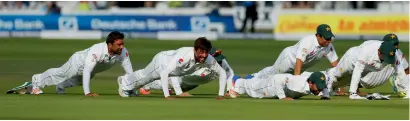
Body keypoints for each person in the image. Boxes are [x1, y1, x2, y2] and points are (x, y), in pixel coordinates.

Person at [6, 31, 133, 97]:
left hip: (92, 70)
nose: (122, 47)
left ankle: (60, 86)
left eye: (123, 44)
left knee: (77, 81)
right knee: (61, 74)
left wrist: (132, 88)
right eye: (119, 44)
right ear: (110, 44)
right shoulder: (97, 50)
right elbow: (87, 71)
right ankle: (36, 81)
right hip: (77, 63)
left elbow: (129, 71)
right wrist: (87, 93)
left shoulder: (123, 52)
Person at [117, 37, 228, 100]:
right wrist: (167, 96)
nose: (204, 55)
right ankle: (124, 83)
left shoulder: (208, 58)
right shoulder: (184, 56)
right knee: (145, 77)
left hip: (173, 70)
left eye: (206, 52)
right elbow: (165, 73)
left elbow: (222, 73)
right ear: (195, 49)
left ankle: (129, 86)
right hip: (162, 62)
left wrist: (220, 94)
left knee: (144, 79)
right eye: (201, 52)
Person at [247, 24, 338, 79]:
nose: (329, 40)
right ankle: (254, 77)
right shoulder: (308, 42)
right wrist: (296, 85)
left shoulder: (328, 45)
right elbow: (298, 63)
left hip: (301, 66)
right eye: (326, 38)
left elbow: (336, 67)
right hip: (289, 60)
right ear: (318, 36)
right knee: (272, 75)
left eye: (330, 38)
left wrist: (340, 89)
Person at [139, 47, 234, 96]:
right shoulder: (195, 61)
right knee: (163, 84)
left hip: (194, 83)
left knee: (181, 88)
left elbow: (229, 73)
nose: (219, 62)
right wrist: (179, 92)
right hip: (180, 79)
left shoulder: (220, 61)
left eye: (219, 59)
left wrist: (229, 90)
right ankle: (144, 85)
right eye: (216, 59)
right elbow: (175, 72)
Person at [325, 40, 398, 99]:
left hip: (367, 67)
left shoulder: (393, 53)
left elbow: (400, 70)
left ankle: (333, 88)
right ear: (379, 51)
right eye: (385, 57)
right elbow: (357, 71)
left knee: (346, 82)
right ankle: (327, 81)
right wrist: (353, 93)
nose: (386, 59)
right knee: (338, 75)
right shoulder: (367, 51)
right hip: (350, 60)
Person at [228, 72, 330, 100]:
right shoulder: (297, 83)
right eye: (319, 87)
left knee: (256, 84)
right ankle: (236, 81)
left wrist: (325, 95)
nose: (321, 89)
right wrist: (282, 97)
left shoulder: (314, 82)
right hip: (273, 85)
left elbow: (325, 82)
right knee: (254, 91)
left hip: (284, 85)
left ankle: (252, 79)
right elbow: (278, 80)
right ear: (310, 83)